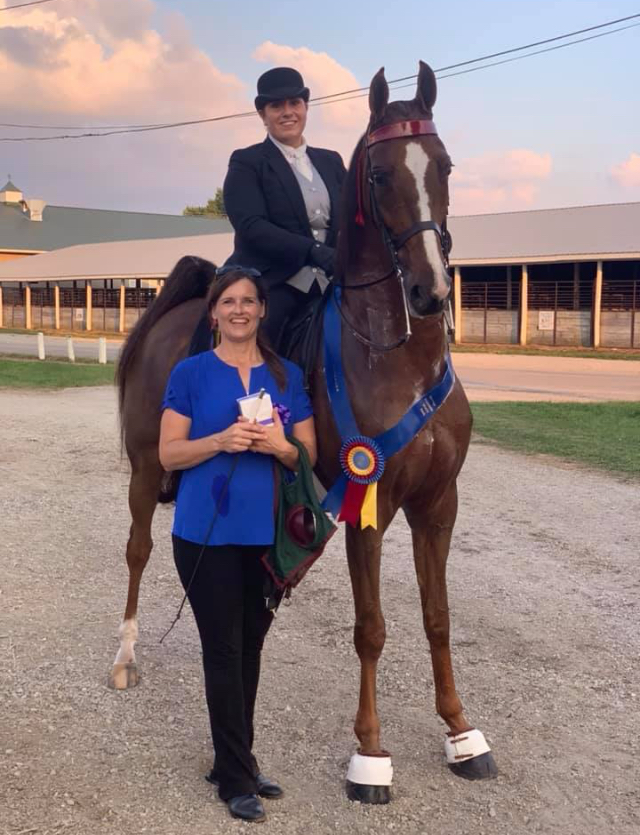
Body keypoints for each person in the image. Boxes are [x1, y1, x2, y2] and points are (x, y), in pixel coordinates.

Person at [159, 265, 316, 823]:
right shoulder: (192, 373)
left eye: (249, 300)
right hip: (205, 534)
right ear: (214, 313)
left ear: (262, 310)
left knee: (250, 648)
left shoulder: (287, 375)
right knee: (223, 650)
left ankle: (237, 759)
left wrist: (280, 446)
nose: (240, 309)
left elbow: (308, 456)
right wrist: (220, 440)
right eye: (229, 301)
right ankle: (235, 777)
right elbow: (168, 455)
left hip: (267, 538)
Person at [223, 67, 347, 350]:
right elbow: (251, 225)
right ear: (262, 114)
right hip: (274, 280)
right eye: (276, 106)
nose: (287, 112)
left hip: (332, 281)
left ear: (305, 107)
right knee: (259, 344)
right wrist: (313, 252)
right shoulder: (247, 162)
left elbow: (355, 217)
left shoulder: (331, 162)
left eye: (295, 103)